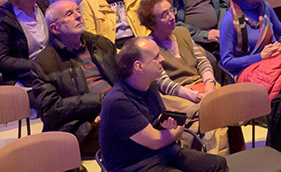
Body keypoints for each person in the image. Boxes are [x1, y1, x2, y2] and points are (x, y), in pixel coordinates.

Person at [97, 38, 227, 172]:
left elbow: (157, 122)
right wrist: (176, 130)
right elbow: (155, 141)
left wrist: (164, 123)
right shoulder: (118, 101)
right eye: (156, 57)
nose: (162, 59)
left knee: (218, 163)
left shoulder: (150, 85)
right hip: (136, 164)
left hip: (165, 153)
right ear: (139, 66)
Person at [26, 0, 119, 152]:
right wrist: (101, 101)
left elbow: (124, 81)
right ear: (55, 28)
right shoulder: (44, 63)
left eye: (78, 11)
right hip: (81, 127)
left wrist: (110, 106)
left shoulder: (102, 44)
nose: (78, 16)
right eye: (70, 14)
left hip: (115, 111)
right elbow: (52, 111)